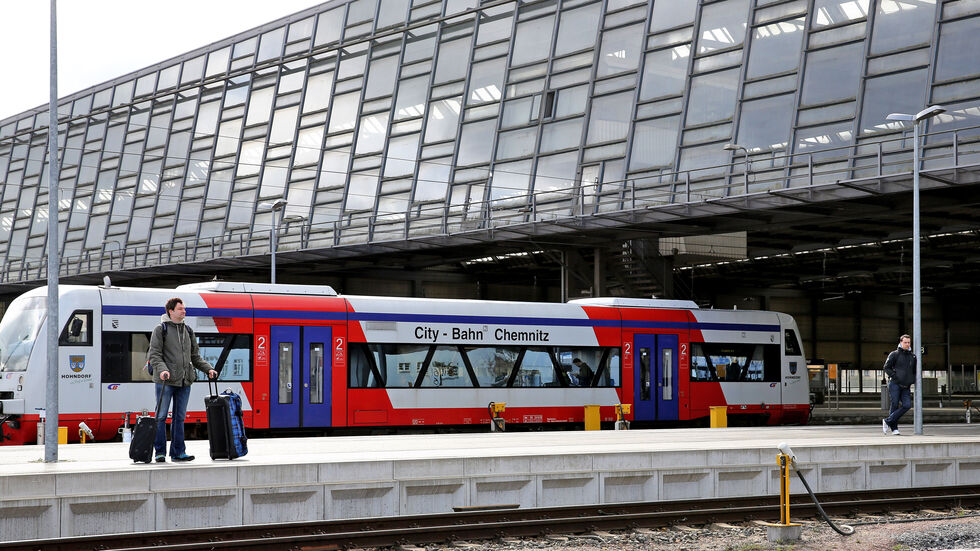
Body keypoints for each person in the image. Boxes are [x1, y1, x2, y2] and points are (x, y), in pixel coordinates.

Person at [148, 297, 216, 462]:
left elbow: (195, 356)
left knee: (179, 417)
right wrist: (163, 370)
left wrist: (208, 369)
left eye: (184, 309)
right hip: (165, 380)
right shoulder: (160, 329)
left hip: (184, 380)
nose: (184, 311)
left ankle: (178, 452)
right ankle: (160, 452)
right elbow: (154, 354)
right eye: (180, 309)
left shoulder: (188, 331)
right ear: (171, 311)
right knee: (161, 416)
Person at [883, 334, 915, 436]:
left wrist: (911, 380)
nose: (907, 344)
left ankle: (887, 421)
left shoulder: (913, 356)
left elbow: (914, 371)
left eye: (908, 342)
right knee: (895, 404)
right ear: (901, 342)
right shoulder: (894, 354)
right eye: (905, 342)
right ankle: (894, 428)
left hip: (906, 386)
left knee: (907, 405)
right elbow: (886, 367)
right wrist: (895, 376)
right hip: (895, 384)